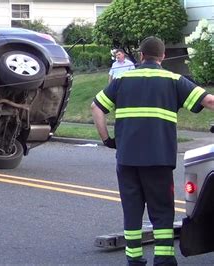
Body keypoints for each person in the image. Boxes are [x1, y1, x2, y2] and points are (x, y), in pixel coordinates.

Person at [91, 36, 214, 266]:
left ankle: (134, 259)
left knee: (132, 209)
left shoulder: (122, 79)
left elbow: (96, 107)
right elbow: (209, 101)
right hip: (159, 159)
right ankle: (164, 258)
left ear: (140, 55)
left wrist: (108, 140)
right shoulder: (173, 80)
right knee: (162, 210)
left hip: (127, 159)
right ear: (163, 56)